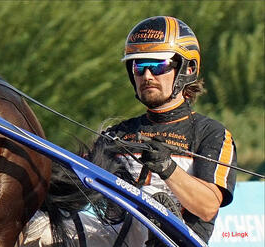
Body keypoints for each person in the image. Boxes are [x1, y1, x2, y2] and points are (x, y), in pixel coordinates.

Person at [19, 16, 237, 247]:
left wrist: (168, 169)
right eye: (138, 66)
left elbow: (207, 207)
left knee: (158, 206)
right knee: (33, 222)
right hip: (114, 237)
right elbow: (74, 183)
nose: (147, 76)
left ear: (188, 68)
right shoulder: (119, 133)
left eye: (158, 66)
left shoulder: (212, 134)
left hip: (177, 239)